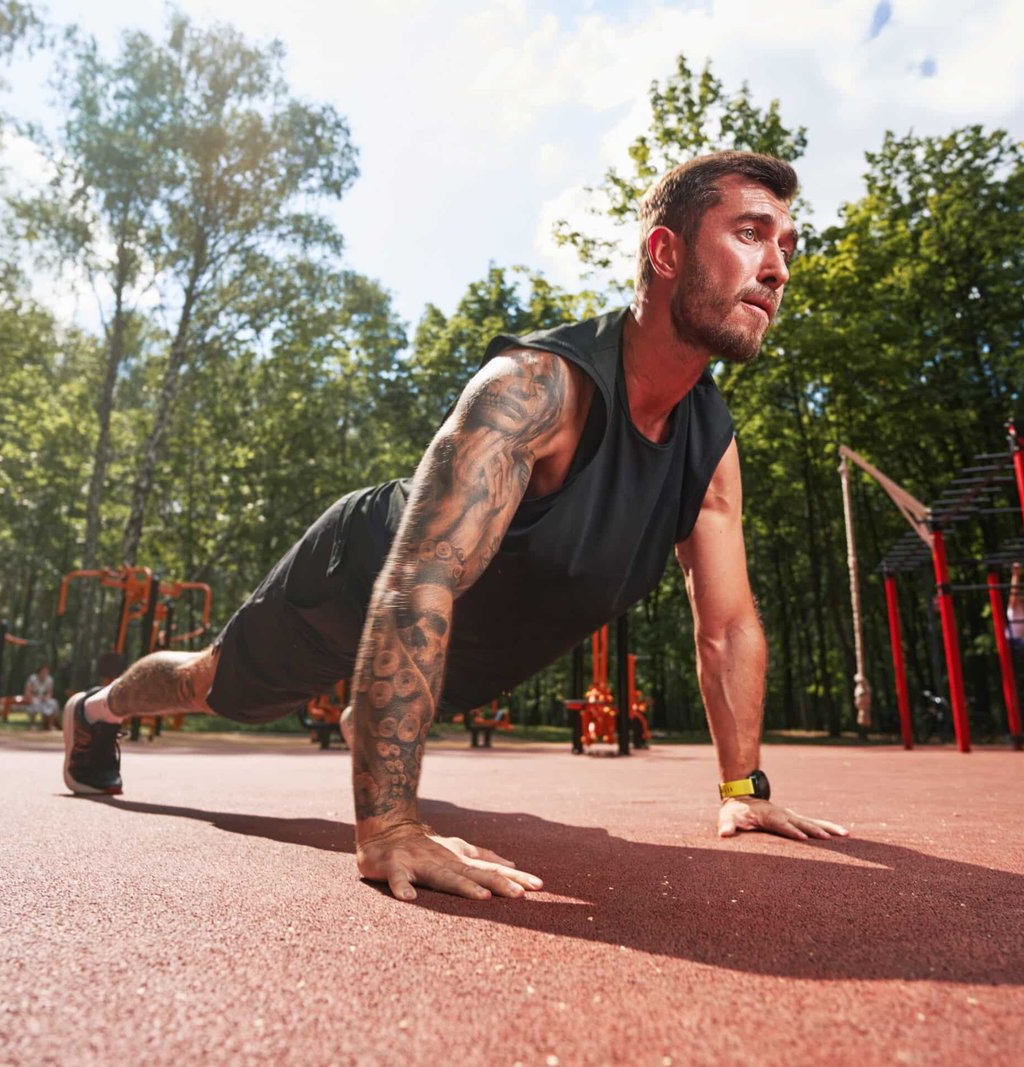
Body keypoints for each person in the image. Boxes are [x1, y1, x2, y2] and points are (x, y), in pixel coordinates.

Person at [61, 151, 848, 901]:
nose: (778, 267)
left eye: (786, 244)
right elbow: (418, 576)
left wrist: (743, 789)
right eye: (750, 234)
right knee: (215, 685)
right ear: (665, 252)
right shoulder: (538, 387)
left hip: (465, 652)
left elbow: (728, 624)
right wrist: (390, 824)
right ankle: (94, 711)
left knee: (400, 685)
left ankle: (365, 714)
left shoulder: (709, 446)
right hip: (361, 574)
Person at [24, 663, 58, 730]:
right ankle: (32, 724)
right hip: (34, 698)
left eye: (46, 672)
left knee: (53, 703)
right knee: (35, 703)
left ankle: (50, 725)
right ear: (38, 672)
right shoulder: (32, 679)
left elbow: (50, 693)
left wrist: (45, 698)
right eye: (43, 672)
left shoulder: (49, 680)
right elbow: (27, 691)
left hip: (44, 699)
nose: (44, 674)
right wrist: (33, 697)